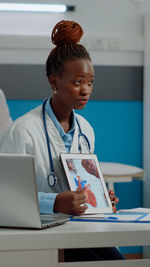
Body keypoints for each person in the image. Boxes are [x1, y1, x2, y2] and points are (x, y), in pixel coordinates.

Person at [0, 20, 124, 261]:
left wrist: (97, 198)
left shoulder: (86, 130)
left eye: (90, 82)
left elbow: (79, 184)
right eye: (77, 82)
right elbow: (3, 198)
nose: (86, 90)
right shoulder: (23, 131)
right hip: (36, 235)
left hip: (76, 228)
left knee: (117, 261)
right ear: (54, 81)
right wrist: (54, 202)